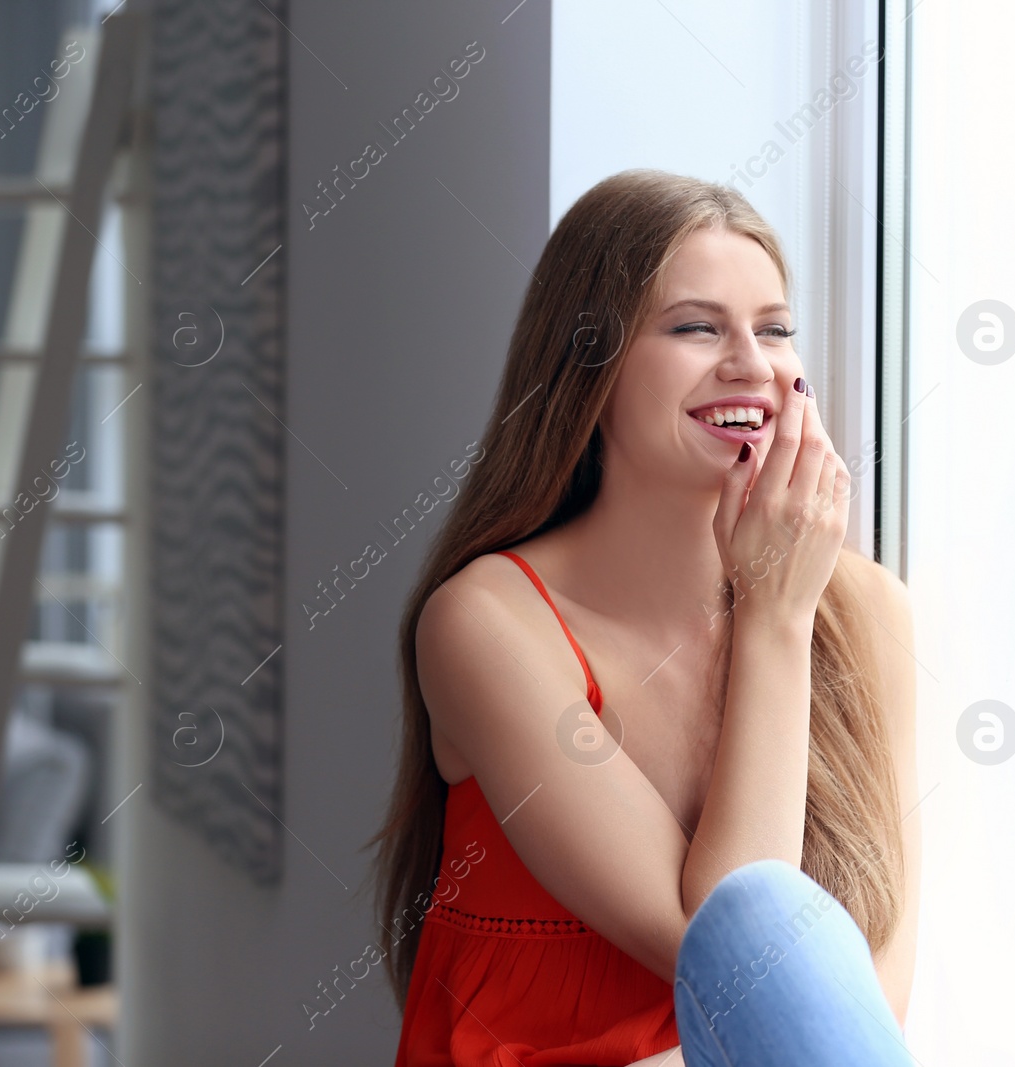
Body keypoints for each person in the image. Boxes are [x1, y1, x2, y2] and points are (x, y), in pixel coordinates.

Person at [369, 169, 922, 1066]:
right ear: (588, 367)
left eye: (776, 329)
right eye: (696, 327)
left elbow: (864, 1011)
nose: (753, 363)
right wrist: (775, 623)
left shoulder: (867, 613)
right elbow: (733, 958)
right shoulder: (485, 624)